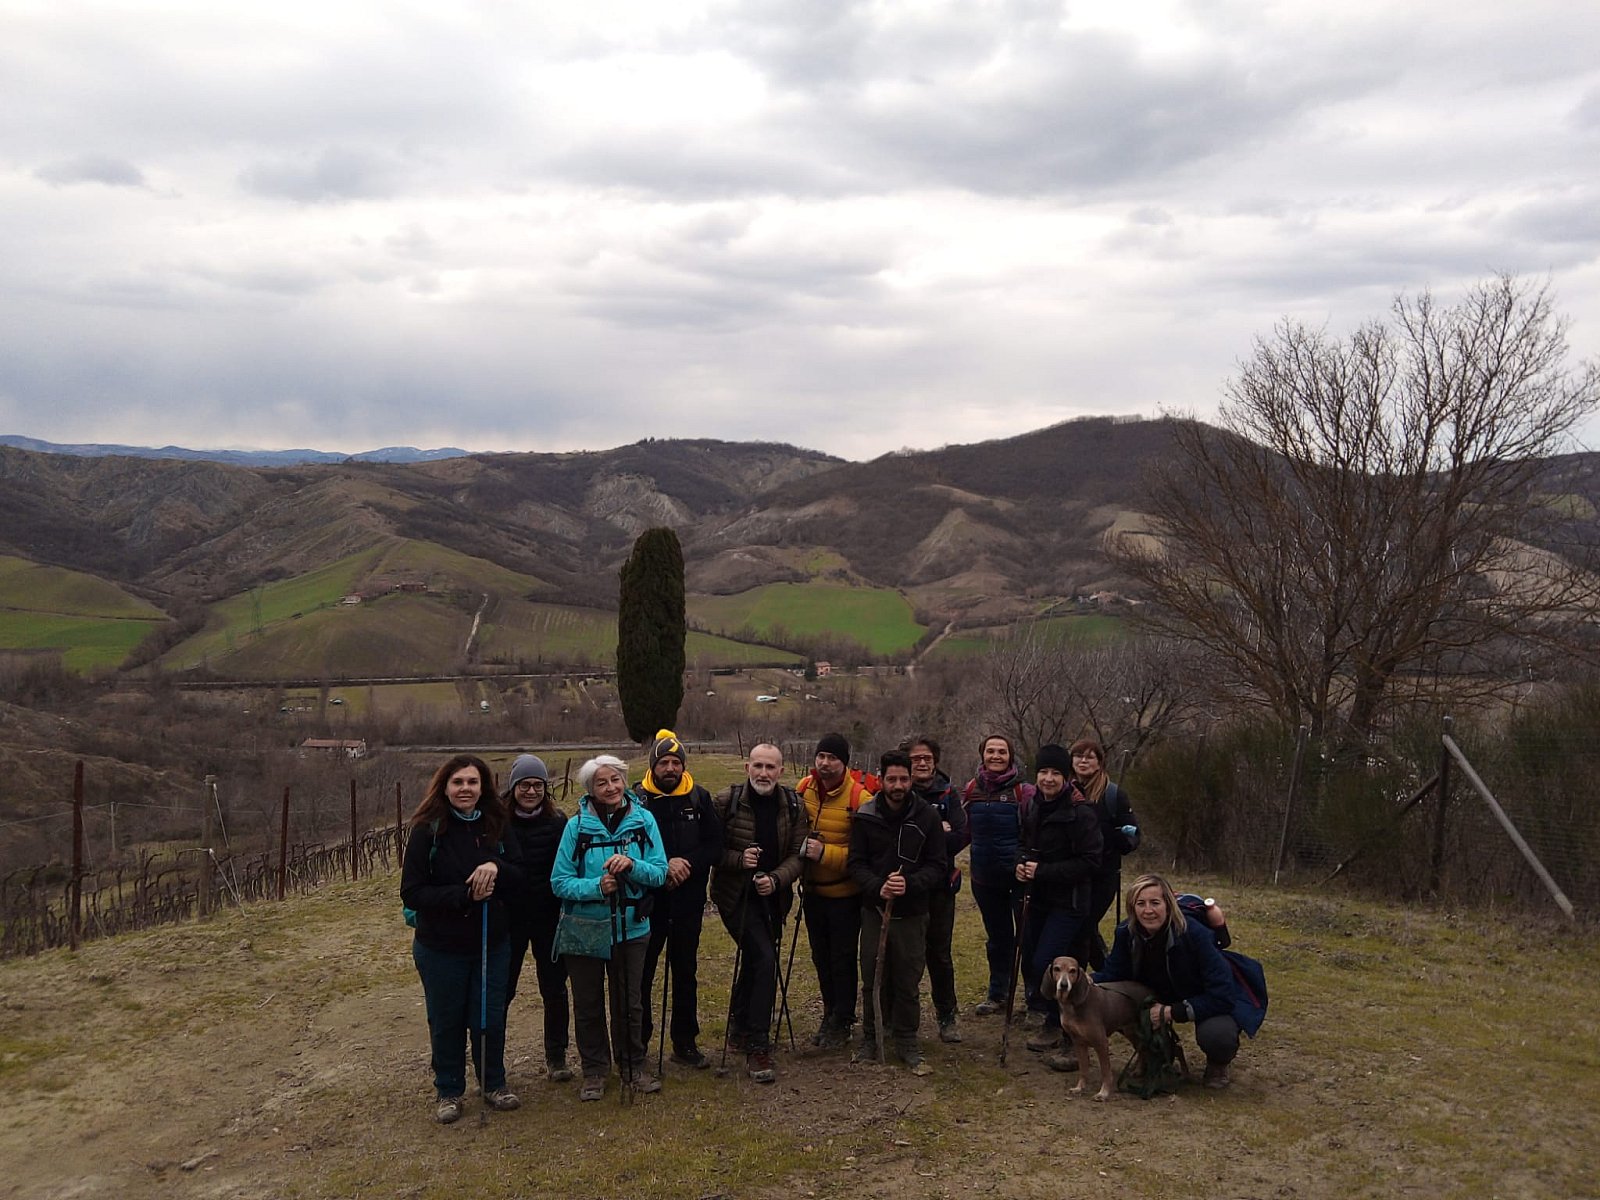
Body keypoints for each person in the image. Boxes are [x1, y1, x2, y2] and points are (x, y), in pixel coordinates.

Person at [400, 754, 523, 1123]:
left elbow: (520, 874)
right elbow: (412, 892)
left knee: (488, 1016)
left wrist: (495, 866)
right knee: (447, 1018)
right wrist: (464, 895)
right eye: (458, 782)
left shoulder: (497, 823)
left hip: (491, 942)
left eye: (472, 782)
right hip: (441, 946)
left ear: (483, 786)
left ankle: (493, 1083)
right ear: (445, 786)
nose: (465, 789)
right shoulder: (428, 830)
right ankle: (449, 1090)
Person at [550, 755, 670, 1101]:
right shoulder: (575, 827)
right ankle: (594, 1072)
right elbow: (559, 882)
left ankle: (633, 1066)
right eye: (602, 782)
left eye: (615, 779)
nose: (611, 787)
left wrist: (632, 865)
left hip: (631, 927)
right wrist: (596, 888)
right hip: (585, 928)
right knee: (587, 1003)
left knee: (629, 1003)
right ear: (591, 788)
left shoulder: (644, 821)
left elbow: (660, 872)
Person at [1095, 873, 1266, 1089]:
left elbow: (1223, 995)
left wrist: (1171, 1012)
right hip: (1158, 993)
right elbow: (1113, 975)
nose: (1148, 910)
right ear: (1132, 908)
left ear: (1168, 905)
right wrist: (1082, 982)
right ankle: (1156, 1051)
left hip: (1202, 994)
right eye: (1141, 904)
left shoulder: (1195, 934)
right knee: (1110, 995)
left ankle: (1218, 1062)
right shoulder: (1125, 932)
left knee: (1218, 1035)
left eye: (1155, 903)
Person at [711, 742, 807, 1083]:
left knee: (757, 958)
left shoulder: (794, 804)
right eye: (758, 766)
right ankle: (757, 1044)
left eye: (770, 767)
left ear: (781, 771)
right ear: (747, 767)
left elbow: (799, 854)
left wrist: (777, 880)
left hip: (773, 898)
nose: (763, 773)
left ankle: (738, 1025)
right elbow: (709, 850)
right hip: (735, 897)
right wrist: (739, 861)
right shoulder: (726, 802)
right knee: (765, 959)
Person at [848, 750, 948, 1072]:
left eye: (904, 779)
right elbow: (856, 864)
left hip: (913, 912)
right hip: (874, 910)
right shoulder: (865, 816)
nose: (898, 785)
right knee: (872, 976)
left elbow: (938, 865)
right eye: (892, 779)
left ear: (910, 780)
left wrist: (910, 884)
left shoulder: (927, 817)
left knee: (907, 978)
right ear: (881, 779)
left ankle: (907, 1039)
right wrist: (878, 886)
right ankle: (870, 1037)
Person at [637, 729, 724, 1069]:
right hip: (649, 903)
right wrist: (663, 867)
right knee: (642, 974)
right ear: (653, 766)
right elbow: (631, 847)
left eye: (676, 762)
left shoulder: (699, 799)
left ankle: (685, 1042)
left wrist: (688, 865)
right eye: (664, 763)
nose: (670, 769)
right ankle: (638, 1043)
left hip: (688, 902)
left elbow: (715, 845)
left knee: (685, 971)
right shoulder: (637, 800)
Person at [1015, 743, 1104, 1058]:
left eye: (1056, 773)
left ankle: (1069, 1028)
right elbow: (1023, 844)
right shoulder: (1031, 806)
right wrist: (1021, 864)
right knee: (1033, 960)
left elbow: (1091, 862)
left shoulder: (1081, 812)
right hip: (1037, 898)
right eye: (1043, 772)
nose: (1048, 779)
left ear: (1067, 777)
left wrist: (1043, 871)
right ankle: (1054, 1022)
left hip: (1070, 902)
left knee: (1050, 963)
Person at [500, 753, 575, 1083]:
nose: (531, 791)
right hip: (510, 919)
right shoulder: (496, 823)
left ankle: (556, 1056)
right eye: (524, 785)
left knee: (555, 989)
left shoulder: (557, 822)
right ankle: (492, 1060)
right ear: (513, 786)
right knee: (503, 990)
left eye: (538, 785)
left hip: (548, 917)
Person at [797, 732, 874, 1049]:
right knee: (820, 957)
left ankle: (842, 1019)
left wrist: (824, 854)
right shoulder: (804, 789)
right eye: (821, 757)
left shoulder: (861, 798)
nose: (825, 764)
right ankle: (830, 1012)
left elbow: (866, 854)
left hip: (844, 895)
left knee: (842, 958)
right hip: (812, 893)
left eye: (833, 758)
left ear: (845, 763)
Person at [961, 733, 1036, 1016]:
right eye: (990, 751)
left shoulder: (1024, 792)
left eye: (1001, 752)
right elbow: (965, 831)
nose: (995, 756)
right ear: (982, 755)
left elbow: (1034, 831)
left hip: (1018, 878)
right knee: (997, 939)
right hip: (984, 877)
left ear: (1010, 756)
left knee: (1027, 939)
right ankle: (998, 994)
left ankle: (1033, 999)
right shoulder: (972, 789)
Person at [903, 734, 968, 1043]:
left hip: (941, 886)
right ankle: (899, 1017)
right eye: (916, 758)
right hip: (907, 886)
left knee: (939, 954)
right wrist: (935, 831)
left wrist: (927, 839)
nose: (922, 763)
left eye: (927, 757)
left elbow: (963, 834)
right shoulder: (898, 789)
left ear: (936, 761)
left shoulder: (949, 794)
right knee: (903, 954)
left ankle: (947, 1015)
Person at [1069, 738, 1140, 966]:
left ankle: (1101, 976)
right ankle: (1107, 975)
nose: (1083, 761)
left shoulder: (1113, 795)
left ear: (1099, 763)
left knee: (1083, 927)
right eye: (1079, 756)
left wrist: (1117, 838)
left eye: (1090, 757)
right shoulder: (1063, 790)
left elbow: (1133, 835)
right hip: (1071, 874)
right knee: (1081, 928)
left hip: (1103, 876)